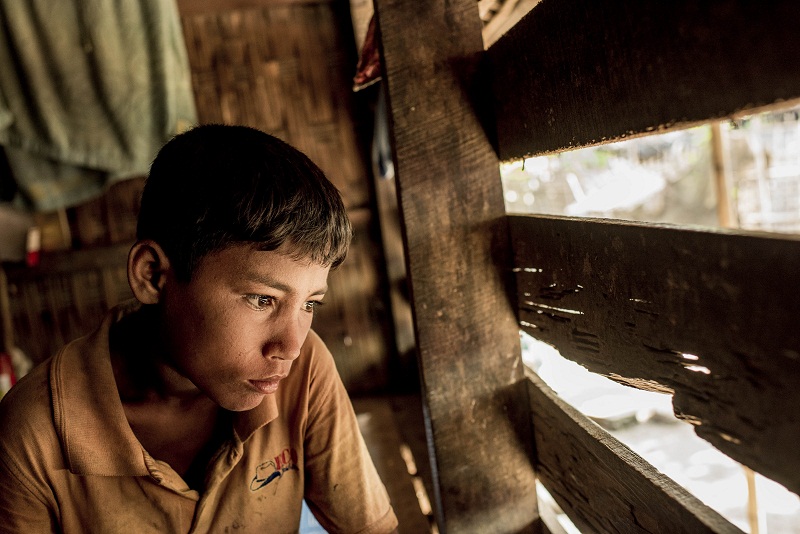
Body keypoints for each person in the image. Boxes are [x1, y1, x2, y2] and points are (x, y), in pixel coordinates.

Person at [0, 124, 399, 533]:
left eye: (310, 303)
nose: (291, 345)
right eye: (263, 299)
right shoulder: (33, 437)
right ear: (153, 276)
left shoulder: (304, 372)